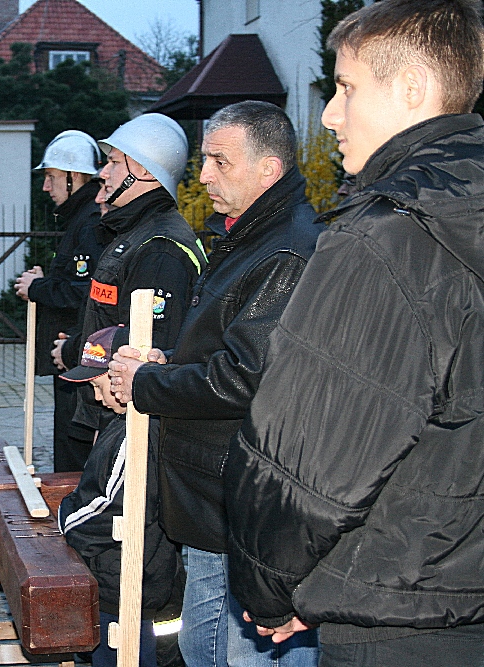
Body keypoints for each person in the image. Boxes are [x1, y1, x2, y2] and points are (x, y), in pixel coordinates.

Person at [222, 1, 484, 665]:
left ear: (413, 89)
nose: (332, 114)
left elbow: (306, 462)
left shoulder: (384, 241)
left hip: (396, 620)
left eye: (346, 88)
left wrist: (274, 591)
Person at [107, 101, 323, 667]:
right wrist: (166, 361)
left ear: (268, 171)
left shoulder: (286, 250)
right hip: (210, 502)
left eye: (219, 161)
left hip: (247, 504)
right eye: (204, 160)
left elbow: (247, 377)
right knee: (202, 653)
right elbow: (224, 346)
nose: (203, 176)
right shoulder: (248, 235)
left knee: (236, 655)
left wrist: (150, 383)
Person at [64, 114, 207, 438]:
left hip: (131, 420)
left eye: (114, 162)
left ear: (142, 170)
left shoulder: (160, 249)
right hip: (113, 412)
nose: (104, 173)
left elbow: (151, 346)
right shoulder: (138, 234)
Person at [59, 325, 181, 667]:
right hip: (128, 578)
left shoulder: (138, 430)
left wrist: (66, 516)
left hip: (125, 584)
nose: (98, 398)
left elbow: (113, 507)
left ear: (119, 378)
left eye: (100, 387)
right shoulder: (122, 421)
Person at [14, 130, 105, 472]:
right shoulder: (82, 219)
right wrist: (44, 282)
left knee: (73, 445)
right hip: (70, 352)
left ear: (74, 177)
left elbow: (84, 291)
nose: (45, 187)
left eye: (51, 177)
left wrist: (37, 288)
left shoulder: (90, 222)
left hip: (79, 352)